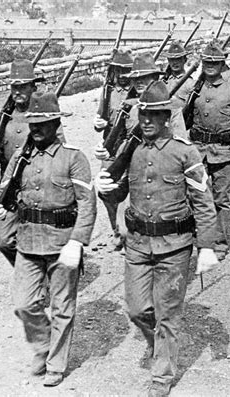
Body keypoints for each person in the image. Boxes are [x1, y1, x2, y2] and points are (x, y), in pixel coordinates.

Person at [96, 81, 219, 397]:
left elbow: (203, 200)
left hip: (174, 247)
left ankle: (161, 377)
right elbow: (124, 189)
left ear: (167, 117)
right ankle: (159, 344)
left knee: (167, 313)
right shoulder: (132, 150)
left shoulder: (184, 152)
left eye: (154, 116)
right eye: (143, 115)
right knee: (137, 310)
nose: (147, 121)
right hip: (137, 244)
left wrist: (205, 246)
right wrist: (108, 189)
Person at [0, 92, 96, 387]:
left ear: (56, 123)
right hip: (28, 241)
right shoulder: (20, 158)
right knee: (24, 304)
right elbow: (6, 193)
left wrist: (78, 241)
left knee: (62, 306)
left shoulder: (74, 157)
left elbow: (87, 203)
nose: (36, 129)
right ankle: (42, 343)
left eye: (43, 123)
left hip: (62, 243)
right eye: (32, 123)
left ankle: (55, 364)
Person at [0, 59, 64, 266]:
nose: (17, 91)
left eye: (23, 86)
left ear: (33, 87)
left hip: (37, 188)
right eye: (14, 87)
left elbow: (59, 152)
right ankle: (29, 270)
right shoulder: (4, 116)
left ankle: (41, 276)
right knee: (3, 241)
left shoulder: (44, 115)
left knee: (44, 239)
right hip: (9, 186)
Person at [186, 40, 230, 259]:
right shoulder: (194, 89)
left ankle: (220, 242)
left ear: (222, 64)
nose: (210, 66)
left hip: (223, 153)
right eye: (207, 62)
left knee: (221, 199)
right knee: (196, 196)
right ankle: (201, 239)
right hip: (197, 151)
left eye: (215, 62)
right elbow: (183, 119)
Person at [93, 49, 133, 249]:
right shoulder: (108, 90)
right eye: (120, 71)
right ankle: (116, 229)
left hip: (129, 147)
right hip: (110, 147)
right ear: (114, 71)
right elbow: (101, 117)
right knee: (106, 191)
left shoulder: (137, 91)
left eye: (127, 71)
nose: (124, 76)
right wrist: (98, 123)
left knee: (126, 189)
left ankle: (126, 233)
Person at [161, 40, 194, 105]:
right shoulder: (163, 82)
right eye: (172, 59)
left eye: (178, 59)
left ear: (185, 60)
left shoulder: (190, 84)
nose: (175, 62)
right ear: (168, 61)